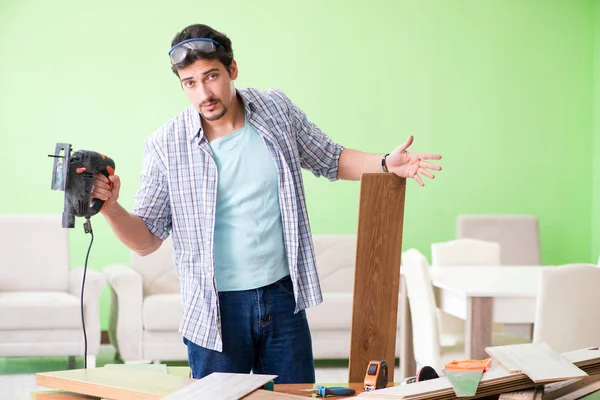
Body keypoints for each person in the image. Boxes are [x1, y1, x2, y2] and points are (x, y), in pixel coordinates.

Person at [92, 23, 442, 383]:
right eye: (190, 83)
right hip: (215, 310)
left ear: (233, 70)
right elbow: (147, 239)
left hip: (282, 298)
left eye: (211, 76)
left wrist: (385, 162)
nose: (203, 93)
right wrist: (109, 207)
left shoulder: (276, 110)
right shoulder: (166, 144)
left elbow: (331, 158)